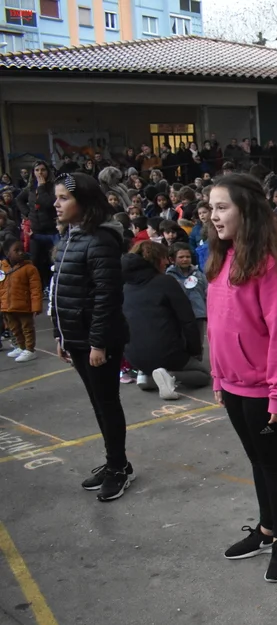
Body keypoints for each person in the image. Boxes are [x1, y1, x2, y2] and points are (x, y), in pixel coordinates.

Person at [207, 174, 277, 583]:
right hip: (232, 385)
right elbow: (216, 326)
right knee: (256, 460)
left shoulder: (270, 267)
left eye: (222, 207)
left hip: (264, 389)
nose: (214, 216)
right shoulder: (220, 259)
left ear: (246, 211)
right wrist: (217, 376)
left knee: (273, 462)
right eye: (211, 208)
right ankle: (266, 529)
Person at [51, 173, 133, 501]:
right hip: (76, 338)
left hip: (98, 341)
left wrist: (98, 343)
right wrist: (60, 335)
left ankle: (119, 467)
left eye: (63, 198)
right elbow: (60, 290)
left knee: (107, 403)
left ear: (83, 202)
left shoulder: (100, 239)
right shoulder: (71, 236)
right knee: (98, 403)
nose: (56, 204)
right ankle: (114, 461)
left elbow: (106, 296)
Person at [121, 241, 210, 400]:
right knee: (203, 375)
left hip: (134, 355)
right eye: (164, 258)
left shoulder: (125, 286)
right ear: (156, 260)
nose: (167, 262)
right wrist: (194, 350)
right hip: (166, 352)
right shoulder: (166, 282)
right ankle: (168, 375)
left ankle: (147, 376)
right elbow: (187, 320)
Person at [16, 161, 59, 293]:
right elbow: (19, 200)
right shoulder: (30, 188)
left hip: (52, 231)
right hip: (36, 232)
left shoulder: (53, 187)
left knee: (53, 261)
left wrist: (41, 187)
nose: (40, 173)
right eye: (37, 170)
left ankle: (53, 286)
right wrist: (27, 213)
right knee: (36, 260)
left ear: (47, 172)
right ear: (33, 173)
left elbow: (48, 203)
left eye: (43, 170)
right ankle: (40, 287)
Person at [1, 235, 43, 362]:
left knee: (27, 329)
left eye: (22, 249)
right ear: (7, 253)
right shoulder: (2, 268)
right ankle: (21, 347)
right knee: (14, 329)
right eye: (16, 250)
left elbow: (36, 289)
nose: (21, 252)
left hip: (24, 306)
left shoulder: (30, 268)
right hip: (7, 307)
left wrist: (36, 306)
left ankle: (30, 350)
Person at [165, 242, 208, 355]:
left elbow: (207, 291)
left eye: (188, 257)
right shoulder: (169, 276)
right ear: (172, 259)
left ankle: (198, 359)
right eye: (181, 257)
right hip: (178, 316)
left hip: (197, 314)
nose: (185, 259)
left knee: (197, 342)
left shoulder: (199, 274)